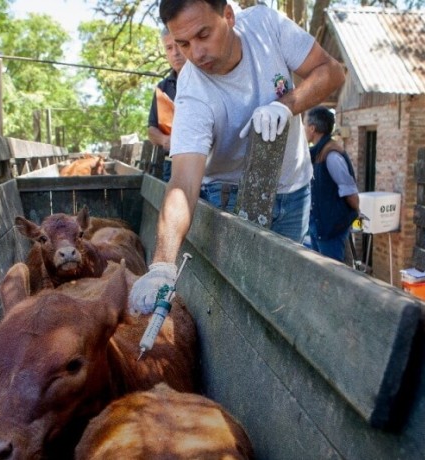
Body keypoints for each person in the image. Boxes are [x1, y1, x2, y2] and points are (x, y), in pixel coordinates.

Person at [130, 0, 345, 313]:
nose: (196, 54)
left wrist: (286, 105)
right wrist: (162, 265)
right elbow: (183, 184)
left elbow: (333, 72)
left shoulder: (267, 27)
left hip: (295, 188)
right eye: (183, 44)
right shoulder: (192, 93)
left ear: (228, 16)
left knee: (285, 299)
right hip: (229, 197)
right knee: (240, 304)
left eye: (203, 35)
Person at [303, 106, 360, 263]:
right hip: (319, 227)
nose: (303, 128)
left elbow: (350, 193)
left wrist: (352, 215)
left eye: (305, 124)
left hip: (331, 229)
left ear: (312, 128)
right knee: (322, 273)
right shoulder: (317, 152)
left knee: (334, 276)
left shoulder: (331, 155)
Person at [147, 27, 187, 182]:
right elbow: (151, 130)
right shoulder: (162, 88)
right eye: (169, 48)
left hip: (206, 166)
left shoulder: (206, 78)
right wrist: (166, 141)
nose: (175, 53)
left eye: (179, 45)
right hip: (171, 165)